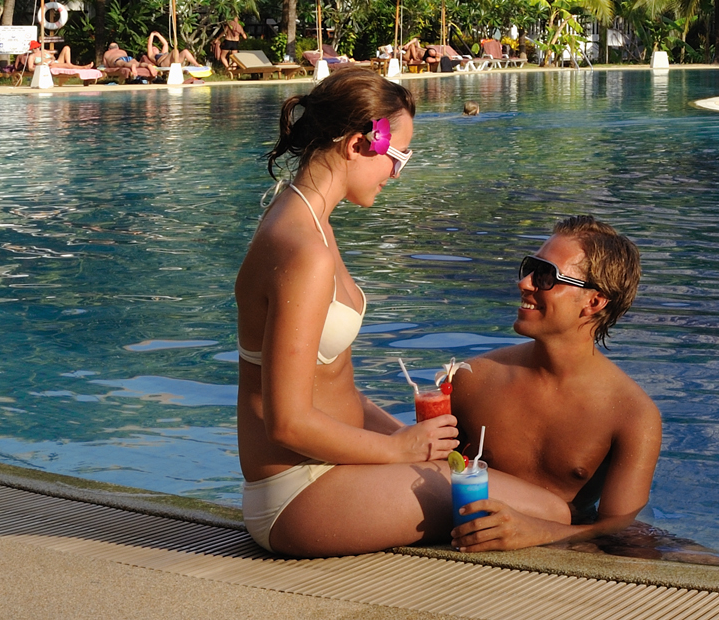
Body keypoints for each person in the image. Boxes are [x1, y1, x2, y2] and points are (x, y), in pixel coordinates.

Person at [233, 68, 565, 556]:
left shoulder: (304, 218)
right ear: (356, 144)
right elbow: (287, 422)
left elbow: (333, 387)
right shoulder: (304, 250)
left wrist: (409, 439)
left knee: (519, 499)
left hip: (328, 472)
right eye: (398, 156)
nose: (396, 173)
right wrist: (397, 450)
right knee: (551, 514)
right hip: (298, 493)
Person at [442, 216, 663, 551]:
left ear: (594, 301)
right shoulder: (473, 379)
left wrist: (541, 532)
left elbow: (618, 527)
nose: (524, 283)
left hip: (566, 545)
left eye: (545, 276)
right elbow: (429, 471)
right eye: (529, 268)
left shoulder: (632, 414)